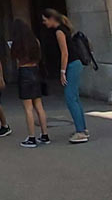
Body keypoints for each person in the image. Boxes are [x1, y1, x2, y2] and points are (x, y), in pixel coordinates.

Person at [42, 9, 88, 143]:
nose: (44, 23)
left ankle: (81, 132)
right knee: (75, 97)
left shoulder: (59, 32)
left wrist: (62, 71)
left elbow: (65, 53)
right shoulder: (64, 29)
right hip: (76, 64)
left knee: (70, 98)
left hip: (71, 65)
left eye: (45, 20)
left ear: (51, 19)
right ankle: (82, 128)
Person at [9, 18, 48, 147]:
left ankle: (31, 137)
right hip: (35, 70)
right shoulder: (35, 41)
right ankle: (45, 134)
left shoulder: (17, 43)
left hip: (24, 72)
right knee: (39, 105)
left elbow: (14, 57)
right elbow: (40, 56)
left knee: (28, 108)